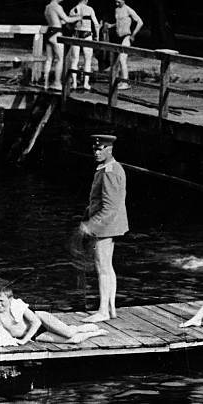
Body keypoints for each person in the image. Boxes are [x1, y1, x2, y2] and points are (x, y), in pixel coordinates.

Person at [78, 134, 128, 322]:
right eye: (95, 149)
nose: (97, 152)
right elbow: (97, 202)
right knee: (107, 266)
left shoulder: (110, 171)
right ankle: (111, 308)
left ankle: (103, 311)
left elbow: (110, 207)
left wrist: (89, 226)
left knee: (102, 266)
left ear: (110, 149)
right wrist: (86, 217)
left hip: (106, 226)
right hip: (108, 224)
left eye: (101, 149)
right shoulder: (107, 168)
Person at [0, 284, 108, 346]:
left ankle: (84, 329)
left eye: (2, 301)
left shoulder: (16, 305)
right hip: (35, 335)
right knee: (73, 340)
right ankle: (93, 333)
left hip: (40, 320)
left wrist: (24, 340)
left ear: (10, 300)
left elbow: (36, 322)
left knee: (69, 333)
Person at [43, 0, 81, 90]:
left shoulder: (47, 7)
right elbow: (67, 19)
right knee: (60, 59)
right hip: (56, 34)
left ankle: (45, 84)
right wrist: (78, 17)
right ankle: (57, 83)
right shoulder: (57, 7)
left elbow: (55, 20)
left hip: (49, 32)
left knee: (49, 59)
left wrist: (61, 22)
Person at [104, 0, 143, 90]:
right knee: (116, 61)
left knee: (122, 58)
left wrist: (133, 34)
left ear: (123, 0)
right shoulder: (116, 9)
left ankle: (125, 82)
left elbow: (140, 22)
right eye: (116, 1)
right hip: (118, 37)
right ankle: (119, 80)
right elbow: (119, 22)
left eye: (119, 2)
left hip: (126, 36)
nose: (117, 3)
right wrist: (110, 25)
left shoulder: (128, 9)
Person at [68, 0, 100, 91]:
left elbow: (68, 25)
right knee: (88, 60)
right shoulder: (89, 9)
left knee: (75, 60)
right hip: (87, 35)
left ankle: (74, 83)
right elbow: (96, 24)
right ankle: (86, 83)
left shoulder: (73, 10)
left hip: (76, 34)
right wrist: (97, 36)